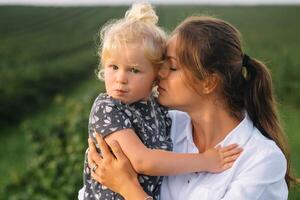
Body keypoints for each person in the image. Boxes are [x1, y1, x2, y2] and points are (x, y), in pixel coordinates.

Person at [87, 13, 299, 200]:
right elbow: (92, 190)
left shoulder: (261, 161)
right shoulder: (166, 126)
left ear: (208, 82)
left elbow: (129, 179)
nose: (159, 73)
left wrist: (128, 188)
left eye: (172, 67)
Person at [79, 3, 242, 200]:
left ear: (156, 76)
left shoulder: (158, 110)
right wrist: (205, 161)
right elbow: (142, 161)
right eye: (113, 67)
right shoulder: (108, 107)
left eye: (134, 70)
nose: (120, 78)